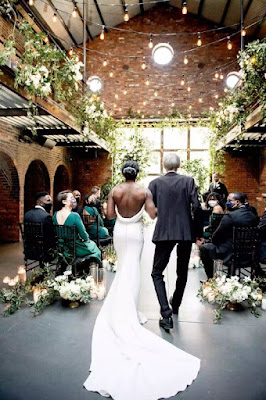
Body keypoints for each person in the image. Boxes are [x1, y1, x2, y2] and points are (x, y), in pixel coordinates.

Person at [83, 160, 200, 400]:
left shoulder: (114, 190)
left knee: (123, 269)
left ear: (122, 173)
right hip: (136, 233)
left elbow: (107, 215)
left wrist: (119, 212)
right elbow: (153, 213)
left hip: (120, 233)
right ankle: (133, 311)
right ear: (137, 173)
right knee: (132, 271)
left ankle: (124, 309)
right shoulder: (144, 190)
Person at [148, 153, 203, 330]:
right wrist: (198, 233)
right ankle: (176, 303)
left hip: (164, 231)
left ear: (164, 166)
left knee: (157, 272)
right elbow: (197, 207)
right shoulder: (189, 181)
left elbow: (153, 208)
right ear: (178, 166)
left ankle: (166, 313)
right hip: (185, 232)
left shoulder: (154, 184)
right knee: (182, 270)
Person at [200, 192, 258, 279]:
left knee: (204, 248)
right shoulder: (253, 216)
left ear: (237, 202)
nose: (227, 203)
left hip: (230, 253)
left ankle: (211, 278)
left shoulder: (230, 216)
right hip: (249, 254)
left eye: (229, 201)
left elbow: (217, 235)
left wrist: (214, 240)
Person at [53, 190, 101, 263]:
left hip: (61, 248)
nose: (74, 199)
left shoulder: (55, 214)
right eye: (71, 198)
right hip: (75, 248)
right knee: (94, 246)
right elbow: (83, 234)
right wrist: (87, 240)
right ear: (64, 202)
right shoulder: (74, 215)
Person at [24, 191, 56, 260]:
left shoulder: (27, 214)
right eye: (48, 200)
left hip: (29, 251)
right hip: (44, 252)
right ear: (40, 203)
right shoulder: (47, 216)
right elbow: (51, 236)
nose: (50, 203)